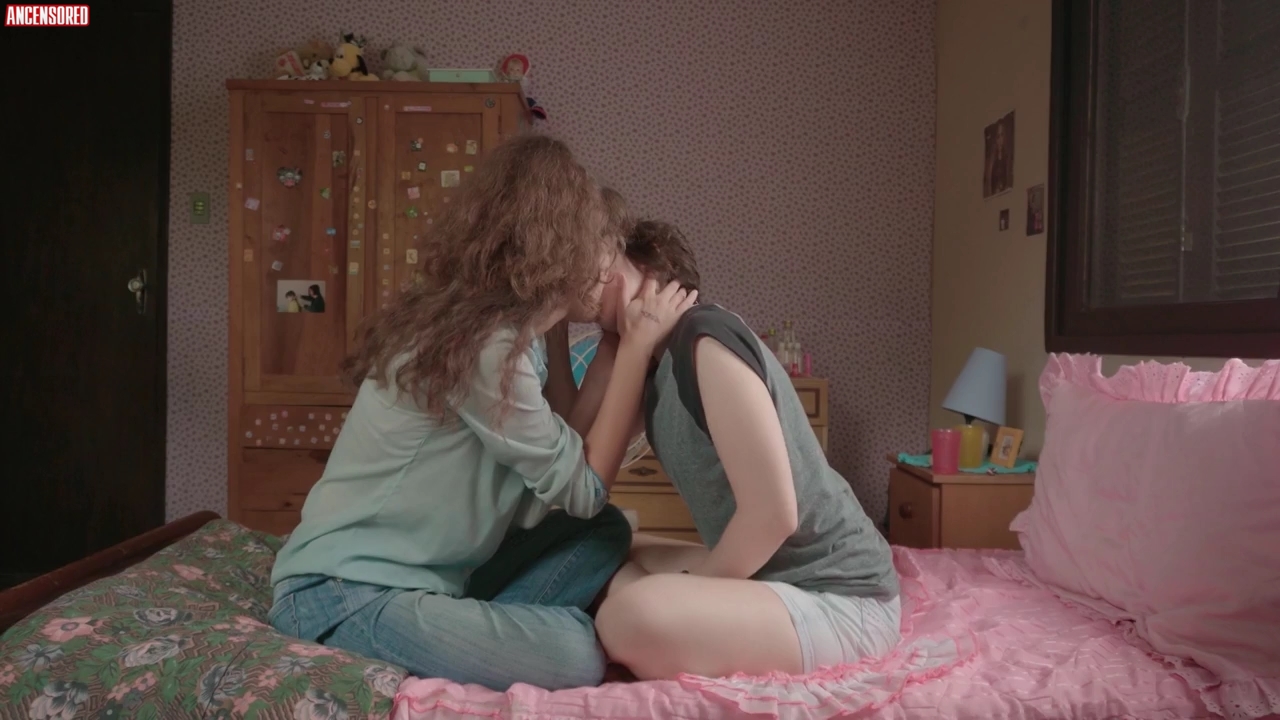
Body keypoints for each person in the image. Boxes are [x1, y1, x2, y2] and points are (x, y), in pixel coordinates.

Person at [267, 136, 697, 691]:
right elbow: (585, 487)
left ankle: (476, 636)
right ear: (557, 247)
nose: (609, 265)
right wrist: (635, 349)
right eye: (600, 244)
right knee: (577, 655)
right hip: (346, 592)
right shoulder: (487, 348)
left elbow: (565, 452)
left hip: (433, 579)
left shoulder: (515, 337)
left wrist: (614, 345)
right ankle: (496, 639)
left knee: (603, 530)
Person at [593, 219, 901, 680]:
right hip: (767, 578)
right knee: (610, 545)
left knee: (626, 617)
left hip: (839, 597)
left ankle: (647, 607)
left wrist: (691, 595)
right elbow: (582, 452)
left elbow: (773, 516)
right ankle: (654, 600)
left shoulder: (704, 338)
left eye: (608, 267)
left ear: (652, 273)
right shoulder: (654, 366)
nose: (595, 280)